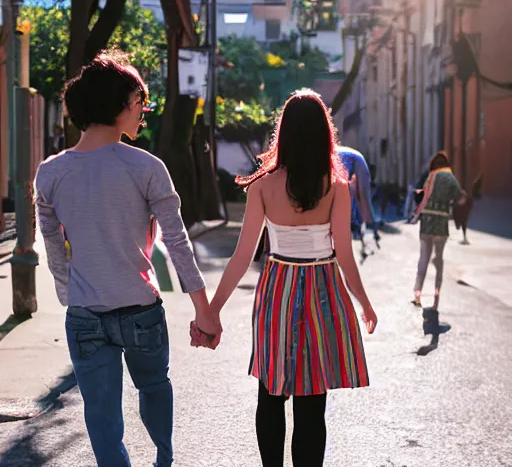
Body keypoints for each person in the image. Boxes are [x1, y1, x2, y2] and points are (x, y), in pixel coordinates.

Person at [34, 51, 220, 467]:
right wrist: (204, 311)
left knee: (100, 416)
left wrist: (69, 293)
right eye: (141, 103)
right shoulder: (147, 167)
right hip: (140, 309)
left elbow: (51, 242)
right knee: (154, 388)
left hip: (85, 315)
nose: (144, 113)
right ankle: (163, 459)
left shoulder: (50, 173)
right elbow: (176, 242)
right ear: (119, 105)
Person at [196, 89, 377, 467]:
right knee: (313, 402)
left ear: (284, 133)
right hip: (323, 287)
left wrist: (211, 311)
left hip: (278, 286)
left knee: (271, 393)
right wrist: (364, 302)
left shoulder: (262, 185)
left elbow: (242, 255)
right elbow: (344, 255)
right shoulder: (337, 187)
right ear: (324, 134)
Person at [411, 150, 464, 309]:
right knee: (438, 260)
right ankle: (436, 296)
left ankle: (418, 294)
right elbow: (459, 198)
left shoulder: (431, 176)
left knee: (423, 259)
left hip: (426, 222)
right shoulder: (450, 178)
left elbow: (420, 196)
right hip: (441, 224)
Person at [335, 145, 380, 244]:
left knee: (362, 197)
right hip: (354, 160)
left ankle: (366, 228)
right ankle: (367, 229)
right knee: (362, 198)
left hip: (356, 161)